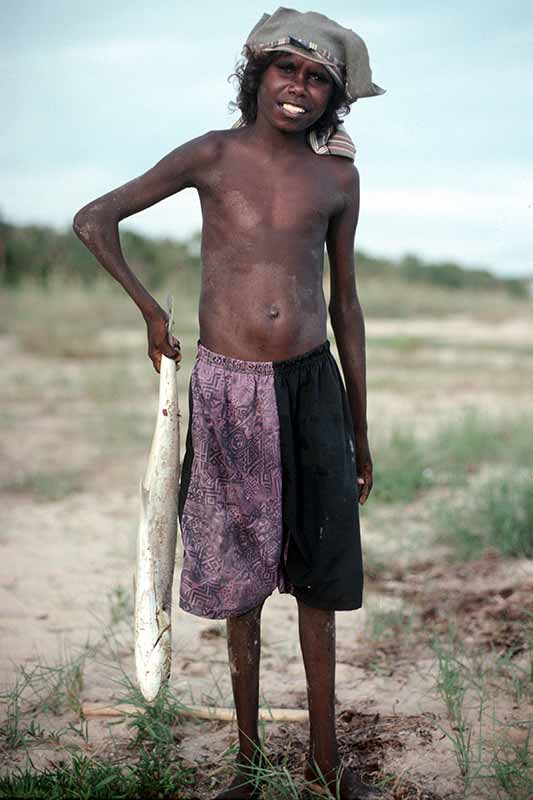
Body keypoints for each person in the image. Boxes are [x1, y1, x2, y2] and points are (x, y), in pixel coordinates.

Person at [73, 7, 385, 798]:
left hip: (313, 383)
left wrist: (358, 428)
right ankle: (247, 767)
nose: (300, 88)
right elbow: (94, 218)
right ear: (256, 75)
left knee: (319, 580)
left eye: (318, 80)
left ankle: (322, 766)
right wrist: (150, 312)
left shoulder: (337, 177)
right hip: (227, 389)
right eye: (287, 70)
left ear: (332, 100)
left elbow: (344, 303)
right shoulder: (211, 155)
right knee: (238, 580)